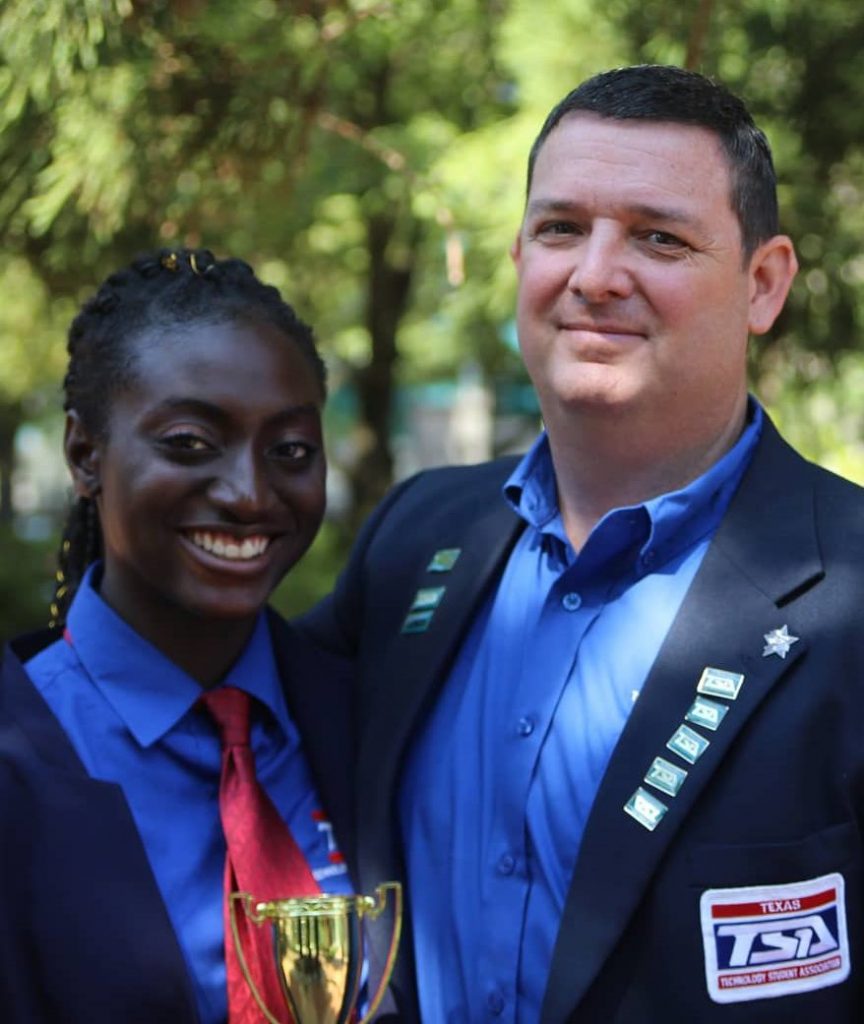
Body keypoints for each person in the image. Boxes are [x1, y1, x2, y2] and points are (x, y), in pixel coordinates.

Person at [301, 65, 864, 1021]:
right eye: (562, 228)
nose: (596, 275)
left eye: (659, 237)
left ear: (763, 284)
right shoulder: (416, 538)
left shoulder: (847, 589)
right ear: (521, 255)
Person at [0, 249, 357, 1023]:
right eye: (191, 443)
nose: (249, 493)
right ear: (83, 454)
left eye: (290, 450)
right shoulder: (19, 749)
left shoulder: (367, 721)